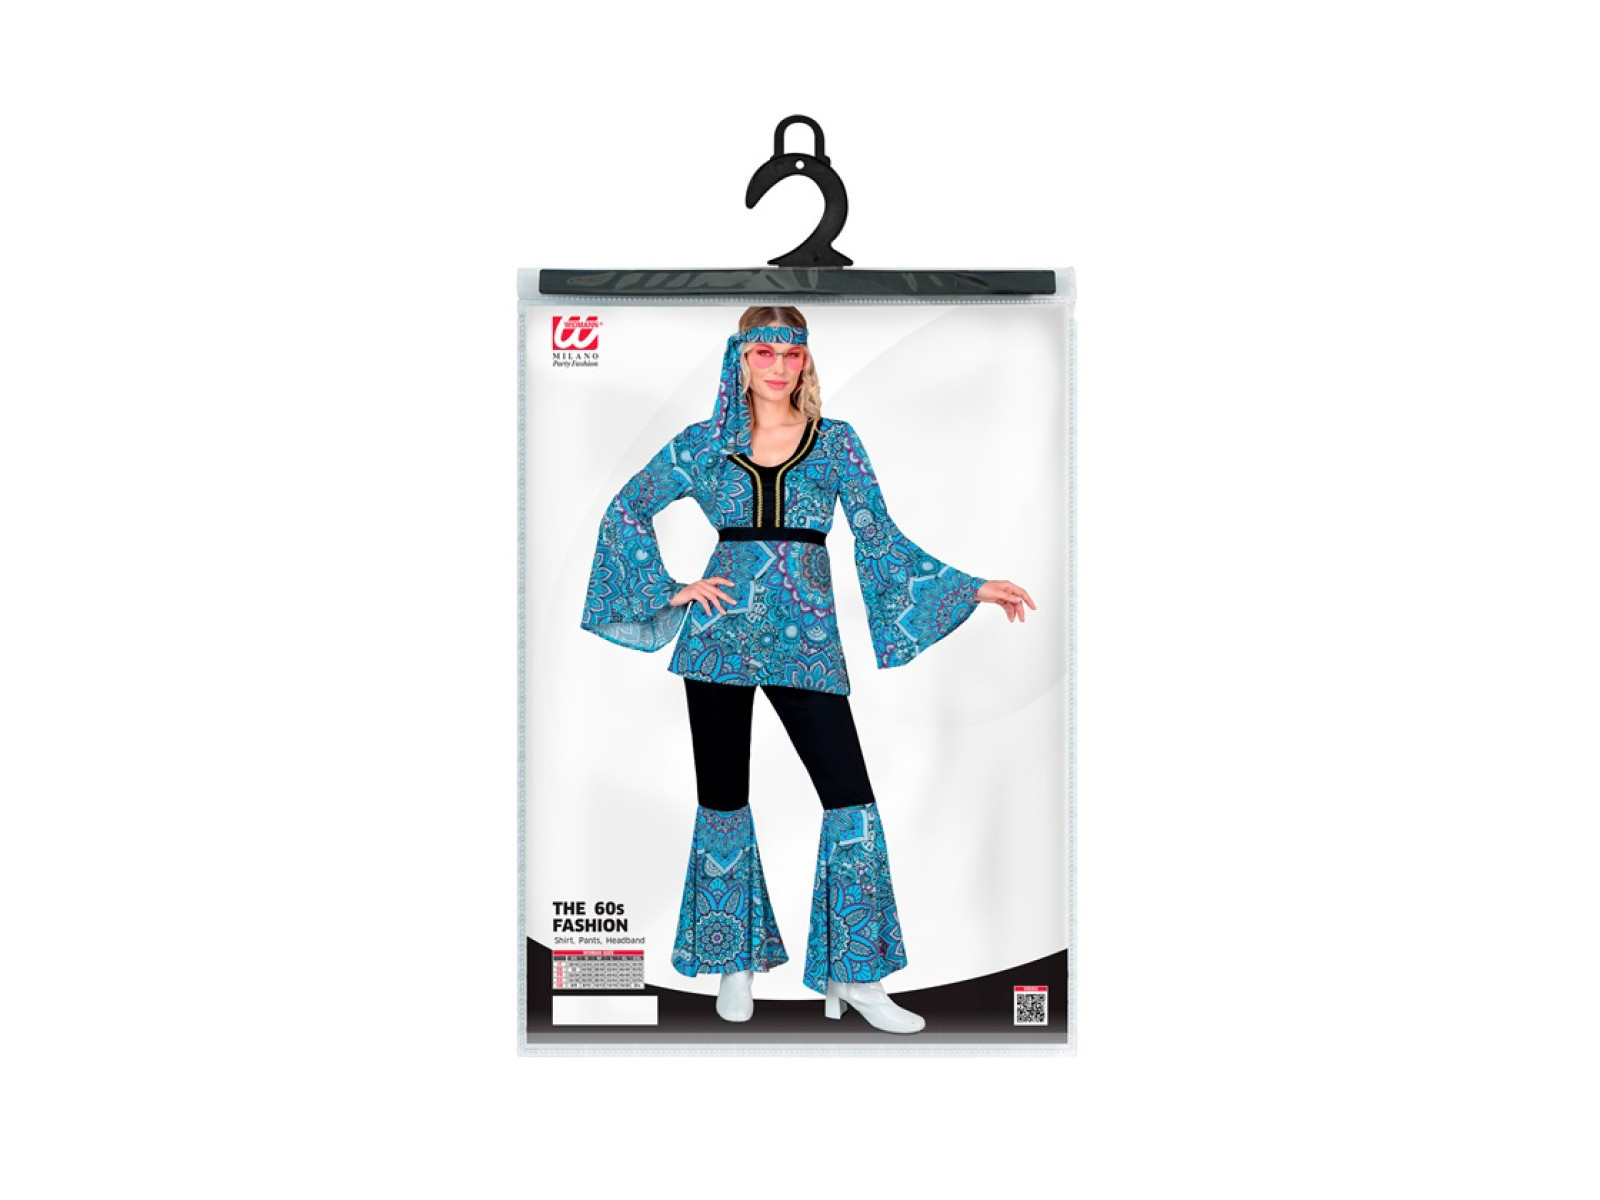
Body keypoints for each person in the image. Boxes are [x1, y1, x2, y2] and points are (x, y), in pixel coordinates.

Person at [581, 306, 1035, 1034]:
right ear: (739, 359)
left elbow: (878, 539)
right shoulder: (704, 443)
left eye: (791, 353)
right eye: (763, 351)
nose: (779, 366)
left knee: (849, 798)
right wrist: (673, 590)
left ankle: (856, 975)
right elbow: (625, 509)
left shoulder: (837, 442)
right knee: (722, 798)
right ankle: (732, 959)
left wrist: (971, 587)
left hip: (808, 643)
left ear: (806, 360)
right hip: (719, 639)